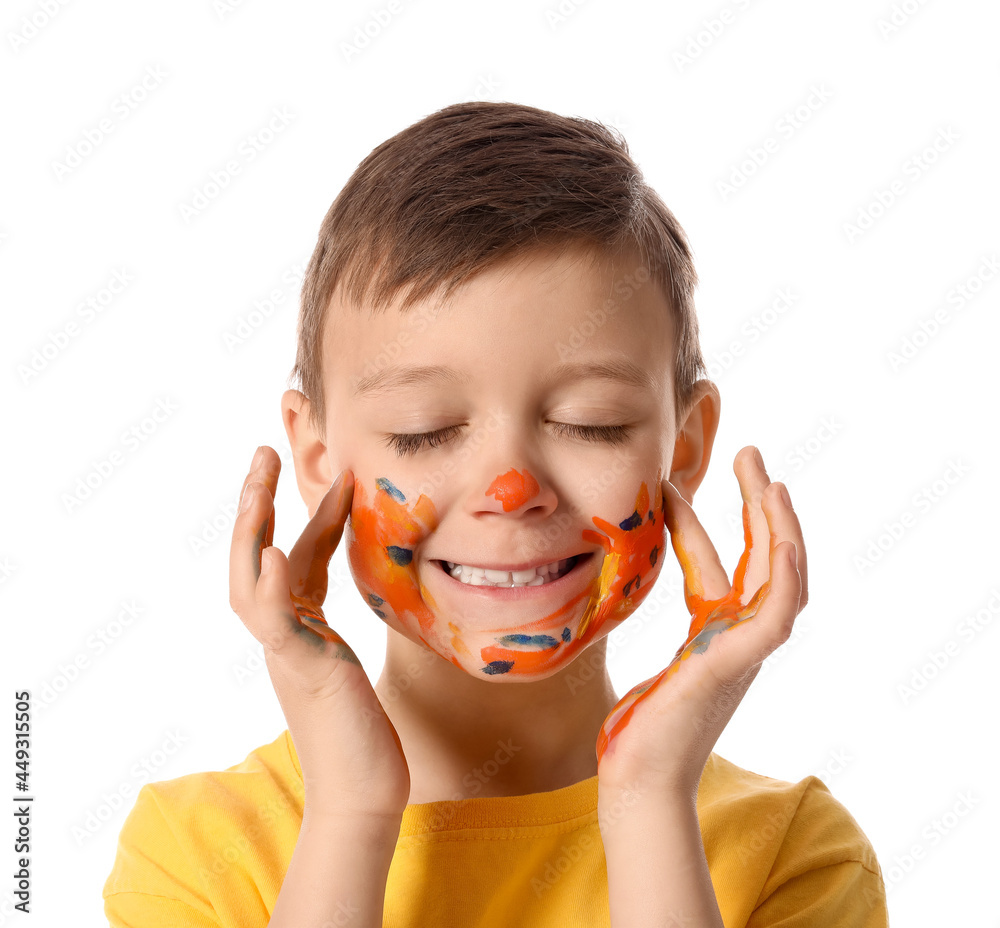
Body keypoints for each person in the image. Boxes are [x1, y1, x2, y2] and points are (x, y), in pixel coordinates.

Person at [103, 101, 888, 927]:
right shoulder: (195, 857)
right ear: (318, 458)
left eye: (592, 422)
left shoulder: (791, 852)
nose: (511, 490)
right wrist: (349, 813)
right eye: (424, 431)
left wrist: (649, 798)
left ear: (683, 452)